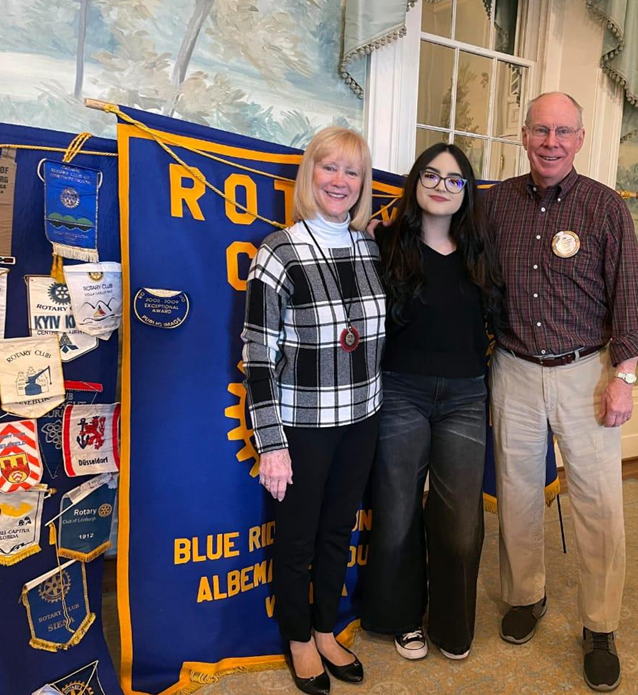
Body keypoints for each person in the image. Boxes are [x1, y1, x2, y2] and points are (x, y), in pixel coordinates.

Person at [483, 92, 638, 692]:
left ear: (580, 139)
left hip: (588, 374)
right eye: (540, 131)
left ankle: (600, 626)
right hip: (515, 370)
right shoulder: (496, 203)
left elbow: (632, 299)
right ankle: (526, 597)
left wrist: (624, 378)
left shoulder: (605, 208)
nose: (551, 142)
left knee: (599, 505)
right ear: (523, 135)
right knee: (518, 494)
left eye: (563, 132)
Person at [242, 126, 386, 695]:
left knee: (337, 530)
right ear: (310, 174)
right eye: (330, 167)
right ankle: (299, 638)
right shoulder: (279, 252)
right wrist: (271, 443)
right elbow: (257, 354)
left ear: (362, 184)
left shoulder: (371, 248)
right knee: (297, 537)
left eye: (352, 172)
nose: (340, 181)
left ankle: (327, 628)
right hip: (302, 425)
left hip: (363, 418)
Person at [361, 143, 503, 661]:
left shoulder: (479, 251)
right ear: (415, 182)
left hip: (466, 395)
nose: (441, 186)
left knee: (460, 516)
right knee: (397, 508)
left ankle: (452, 623)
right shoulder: (385, 243)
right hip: (401, 390)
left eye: (454, 179)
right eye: (431, 175)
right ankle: (400, 618)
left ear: (466, 192)